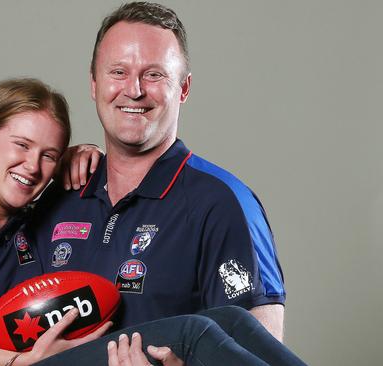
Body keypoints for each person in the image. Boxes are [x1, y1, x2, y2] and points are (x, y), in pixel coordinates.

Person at [0, 78, 305, 366]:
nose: (32, 165)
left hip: (58, 356)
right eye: (21, 145)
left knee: (233, 321)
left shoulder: (37, 220)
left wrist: (75, 157)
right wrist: (16, 363)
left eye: (48, 154)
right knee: (194, 331)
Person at [31, 1, 287, 342]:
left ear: (183, 88)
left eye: (154, 74)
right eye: (118, 72)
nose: (134, 90)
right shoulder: (60, 194)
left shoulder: (222, 203)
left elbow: (260, 353)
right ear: (94, 84)